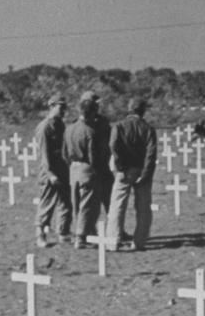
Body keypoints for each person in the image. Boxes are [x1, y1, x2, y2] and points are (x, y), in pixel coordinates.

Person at [106, 98, 157, 251]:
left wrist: (120, 165)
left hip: (124, 170)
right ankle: (139, 241)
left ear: (129, 109)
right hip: (141, 170)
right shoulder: (148, 129)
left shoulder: (120, 126)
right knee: (143, 207)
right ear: (142, 110)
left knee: (117, 205)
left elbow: (113, 145)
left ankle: (112, 241)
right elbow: (151, 153)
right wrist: (146, 173)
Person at [62, 91, 106, 249]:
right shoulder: (90, 131)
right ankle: (81, 237)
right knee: (87, 205)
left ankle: (82, 233)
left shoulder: (69, 128)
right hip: (87, 170)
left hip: (73, 170)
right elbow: (93, 156)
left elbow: (64, 153)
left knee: (76, 205)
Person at [33, 93, 72, 249]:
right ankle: (40, 233)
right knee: (47, 203)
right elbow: (44, 154)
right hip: (49, 171)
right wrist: (50, 174)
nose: (63, 111)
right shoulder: (45, 127)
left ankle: (63, 232)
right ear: (51, 106)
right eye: (60, 107)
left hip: (62, 168)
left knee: (66, 202)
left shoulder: (60, 125)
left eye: (64, 108)